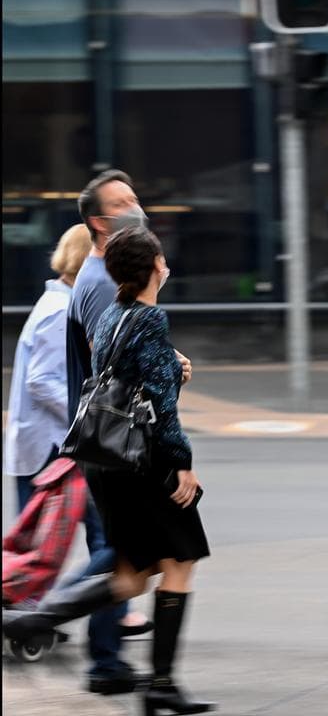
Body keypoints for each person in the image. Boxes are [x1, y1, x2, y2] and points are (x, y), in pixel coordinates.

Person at [9, 225, 214, 715]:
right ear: (152, 269)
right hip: (141, 463)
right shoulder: (150, 319)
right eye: (162, 259)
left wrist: (168, 364)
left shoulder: (110, 317)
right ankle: (161, 683)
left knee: (131, 575)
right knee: (178, 563)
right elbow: (161, 408)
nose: (167, 265)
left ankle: (29, 622)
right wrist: (182, 466)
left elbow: (126, 382)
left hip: (105, 461)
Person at [65, 169, 160, 693]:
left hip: (108, 437)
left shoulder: (105, 277)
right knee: (123, 551)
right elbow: (117, 366)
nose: (136, 206)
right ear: (100, 223)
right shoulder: (103, 286)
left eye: (135, 196)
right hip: (111, 439)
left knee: (123, 548)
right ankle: (43, 616)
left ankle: (104, 658)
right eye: (124, 202)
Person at [5, 224, 92, 514]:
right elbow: (41, 381)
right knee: (105, 539)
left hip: (46, 443)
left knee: (35, 546)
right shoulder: (60, 310)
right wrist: (85, 419)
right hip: (48, 446)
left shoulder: (61, 303)